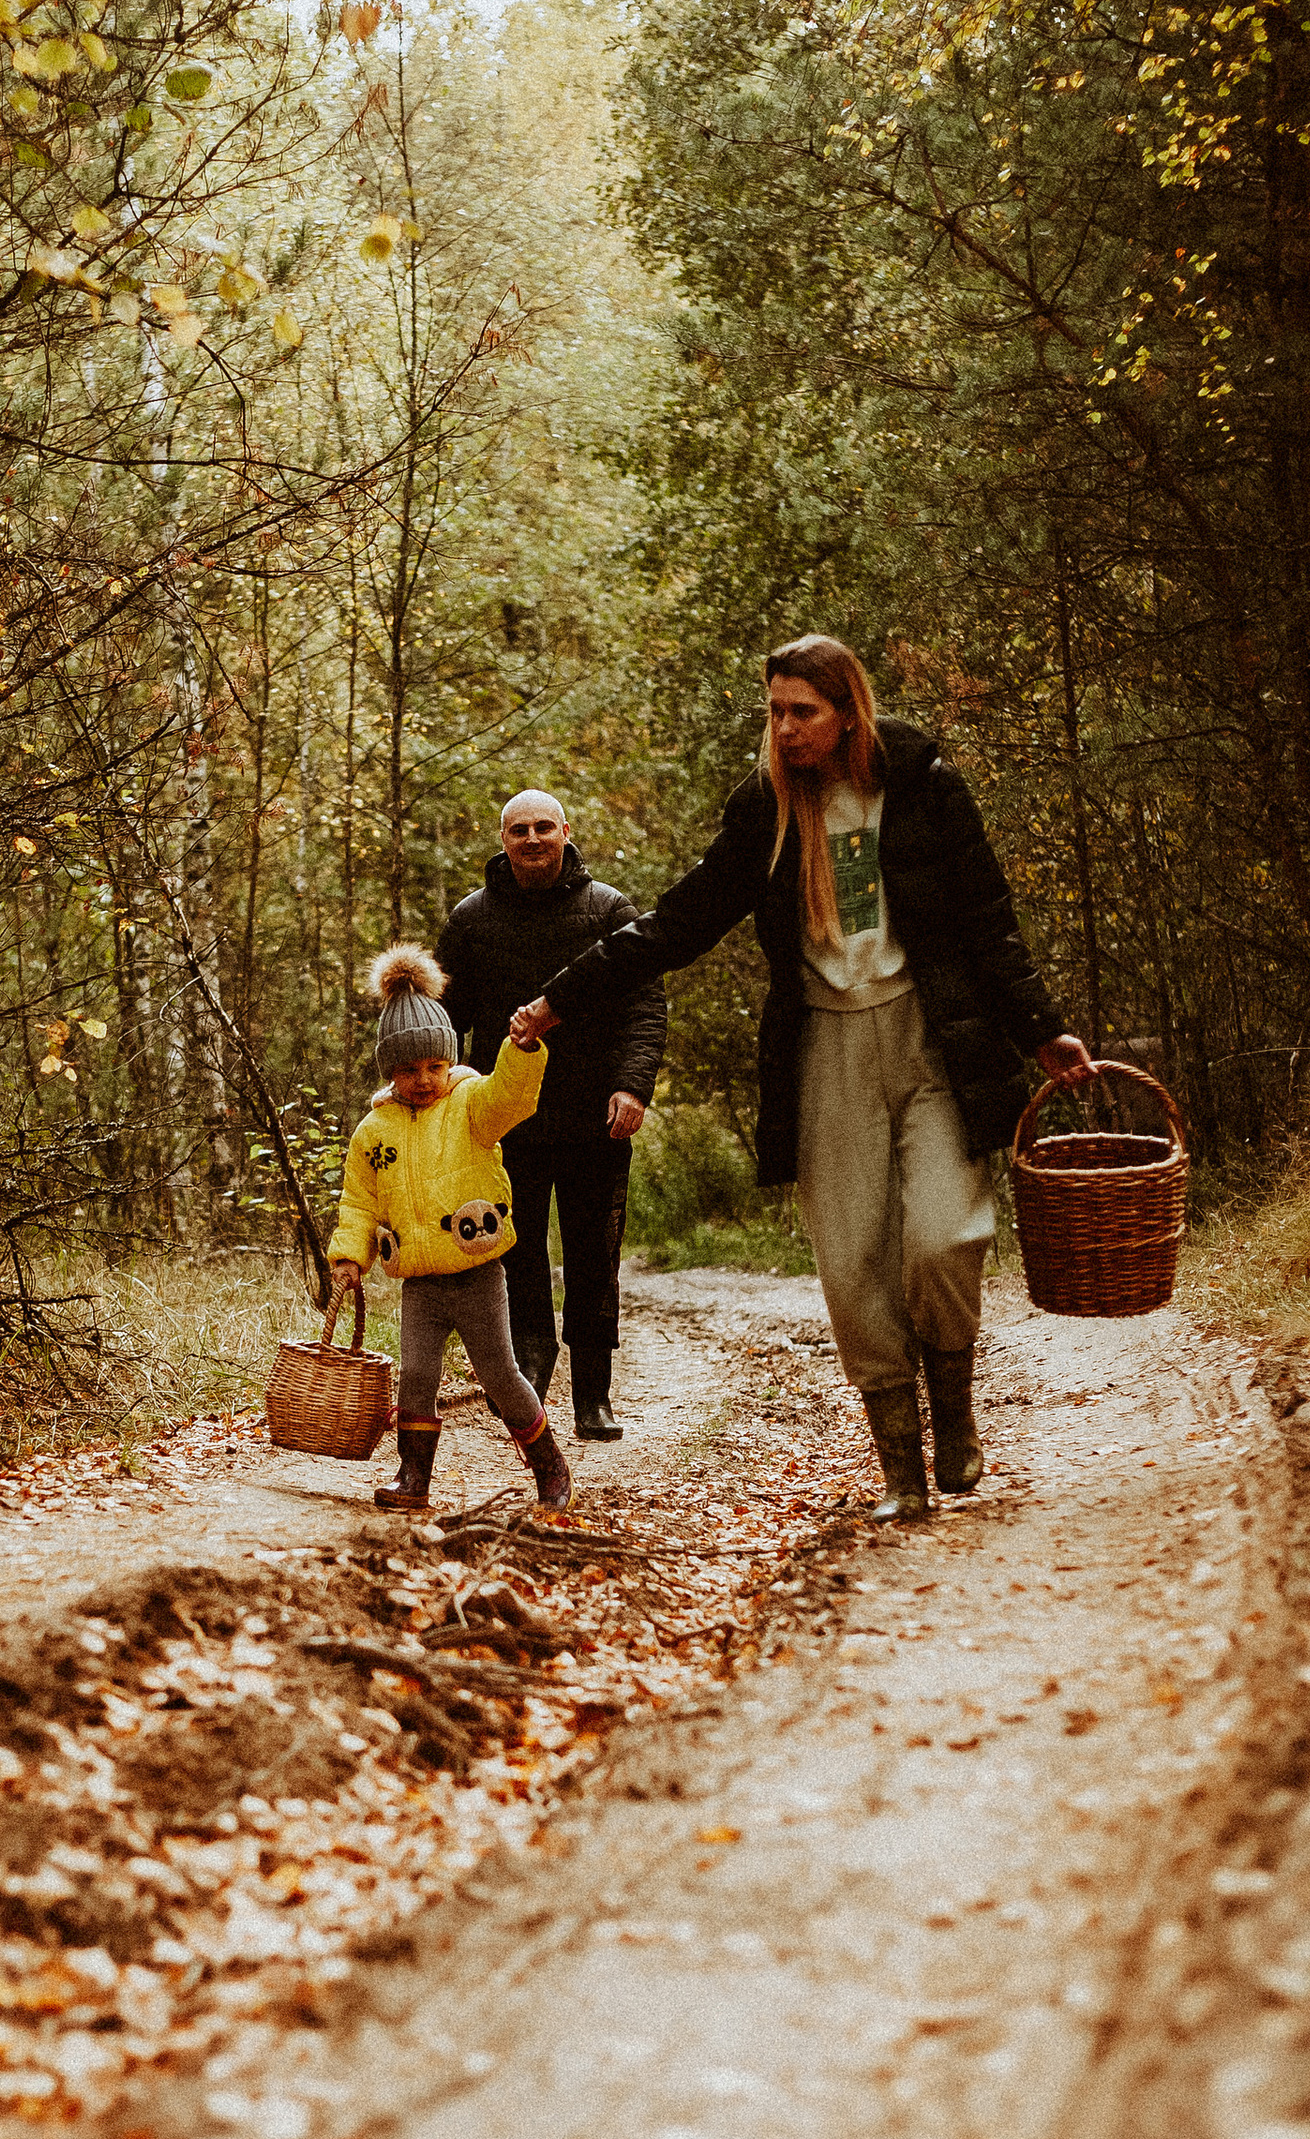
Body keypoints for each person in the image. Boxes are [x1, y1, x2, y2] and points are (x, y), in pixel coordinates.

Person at [511, 637, 1095, 1521]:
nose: (784, 730)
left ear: (848, 713)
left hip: (932, 1039)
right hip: (826, 1050)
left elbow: (989, 920)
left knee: (944, 1236)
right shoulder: (764, 812)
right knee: (852, 1264)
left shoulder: (924, 783)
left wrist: (1041, 1029)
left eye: (803, 712)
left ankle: (954, 1413)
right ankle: (901, 1471)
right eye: (775, 712)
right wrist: (562, 997)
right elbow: (678, 922)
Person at [436, 785, 665, 1442]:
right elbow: (443, 1019)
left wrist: (632, 1086)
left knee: (595, 1256)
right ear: (502, 842)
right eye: (519, 830)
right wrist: (438, 1095)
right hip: (505, 1122)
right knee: (516, 1252)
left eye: (543, 827)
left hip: (597, 1118)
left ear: (566, 832)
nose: (532, 839)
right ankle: (530, 1377)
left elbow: (645, 1004)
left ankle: (594, 1394)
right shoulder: (470, 919)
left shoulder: (608, 910)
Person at [327, 944, 574, 1518]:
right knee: (415, 1375)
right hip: (421, 1280)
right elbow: (359, 1201)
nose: (423, 1079)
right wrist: (349, 1257)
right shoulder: (374, 1131)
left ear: (449, 1061)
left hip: (476, 1273)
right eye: (408, 1069)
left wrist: (523, 1049)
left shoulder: (470, 1104)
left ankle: (548, 1465)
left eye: (434, 1067)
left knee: (500, 1374)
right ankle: (414, 1475)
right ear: (390, 1070)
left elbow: (510, 1097)